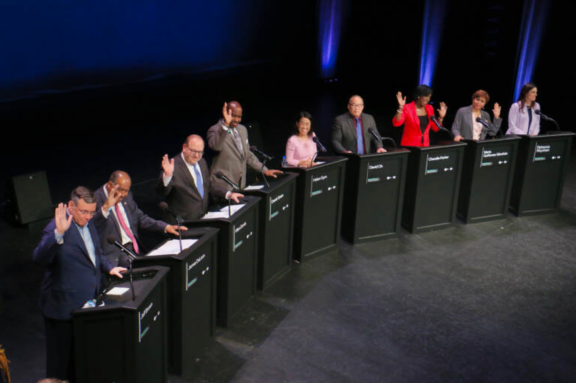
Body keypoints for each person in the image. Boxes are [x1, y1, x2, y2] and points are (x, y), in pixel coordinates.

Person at [33, 187, 126, 382]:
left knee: (81, 358)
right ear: (71, 207)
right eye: (83, 211)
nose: (88, 216)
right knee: (60, 365)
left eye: (91, 212)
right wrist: (58, 234)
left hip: (86, 303)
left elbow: (96, 251)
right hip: (62, 309)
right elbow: (39, 258)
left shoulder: (88, 222)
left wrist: (108, 267)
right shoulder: (55, 228)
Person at [93, 171, 188, 267]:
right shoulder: (96, 200)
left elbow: (140, 218)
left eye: (126, 190)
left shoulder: (127, 196)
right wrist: (105, 208)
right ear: (110, 185)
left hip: (134, 249)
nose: (123, 194)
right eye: (121, 190)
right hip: (116, 255)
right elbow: (92, 228)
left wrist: (165, 226)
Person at [157, 134, 244, 223]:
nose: (196, 155)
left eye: (200, 152)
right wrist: (167, 176)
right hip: (183, 223)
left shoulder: (202, 162)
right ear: (184, 147)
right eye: (193, 151)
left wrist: (228, 194)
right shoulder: (172, 166)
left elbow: (208, 186)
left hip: (203, 218)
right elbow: (161, 192)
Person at [207, 101, 283, 190]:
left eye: (239, 117)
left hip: (240, 185)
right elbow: (216, 146)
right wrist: (226, 126)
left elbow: (247, 154)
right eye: (233, 116)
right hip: (222, 186)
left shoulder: (242, 129)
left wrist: (265, 170)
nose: (236, 119)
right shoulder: (215, 130)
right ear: (226, 113)